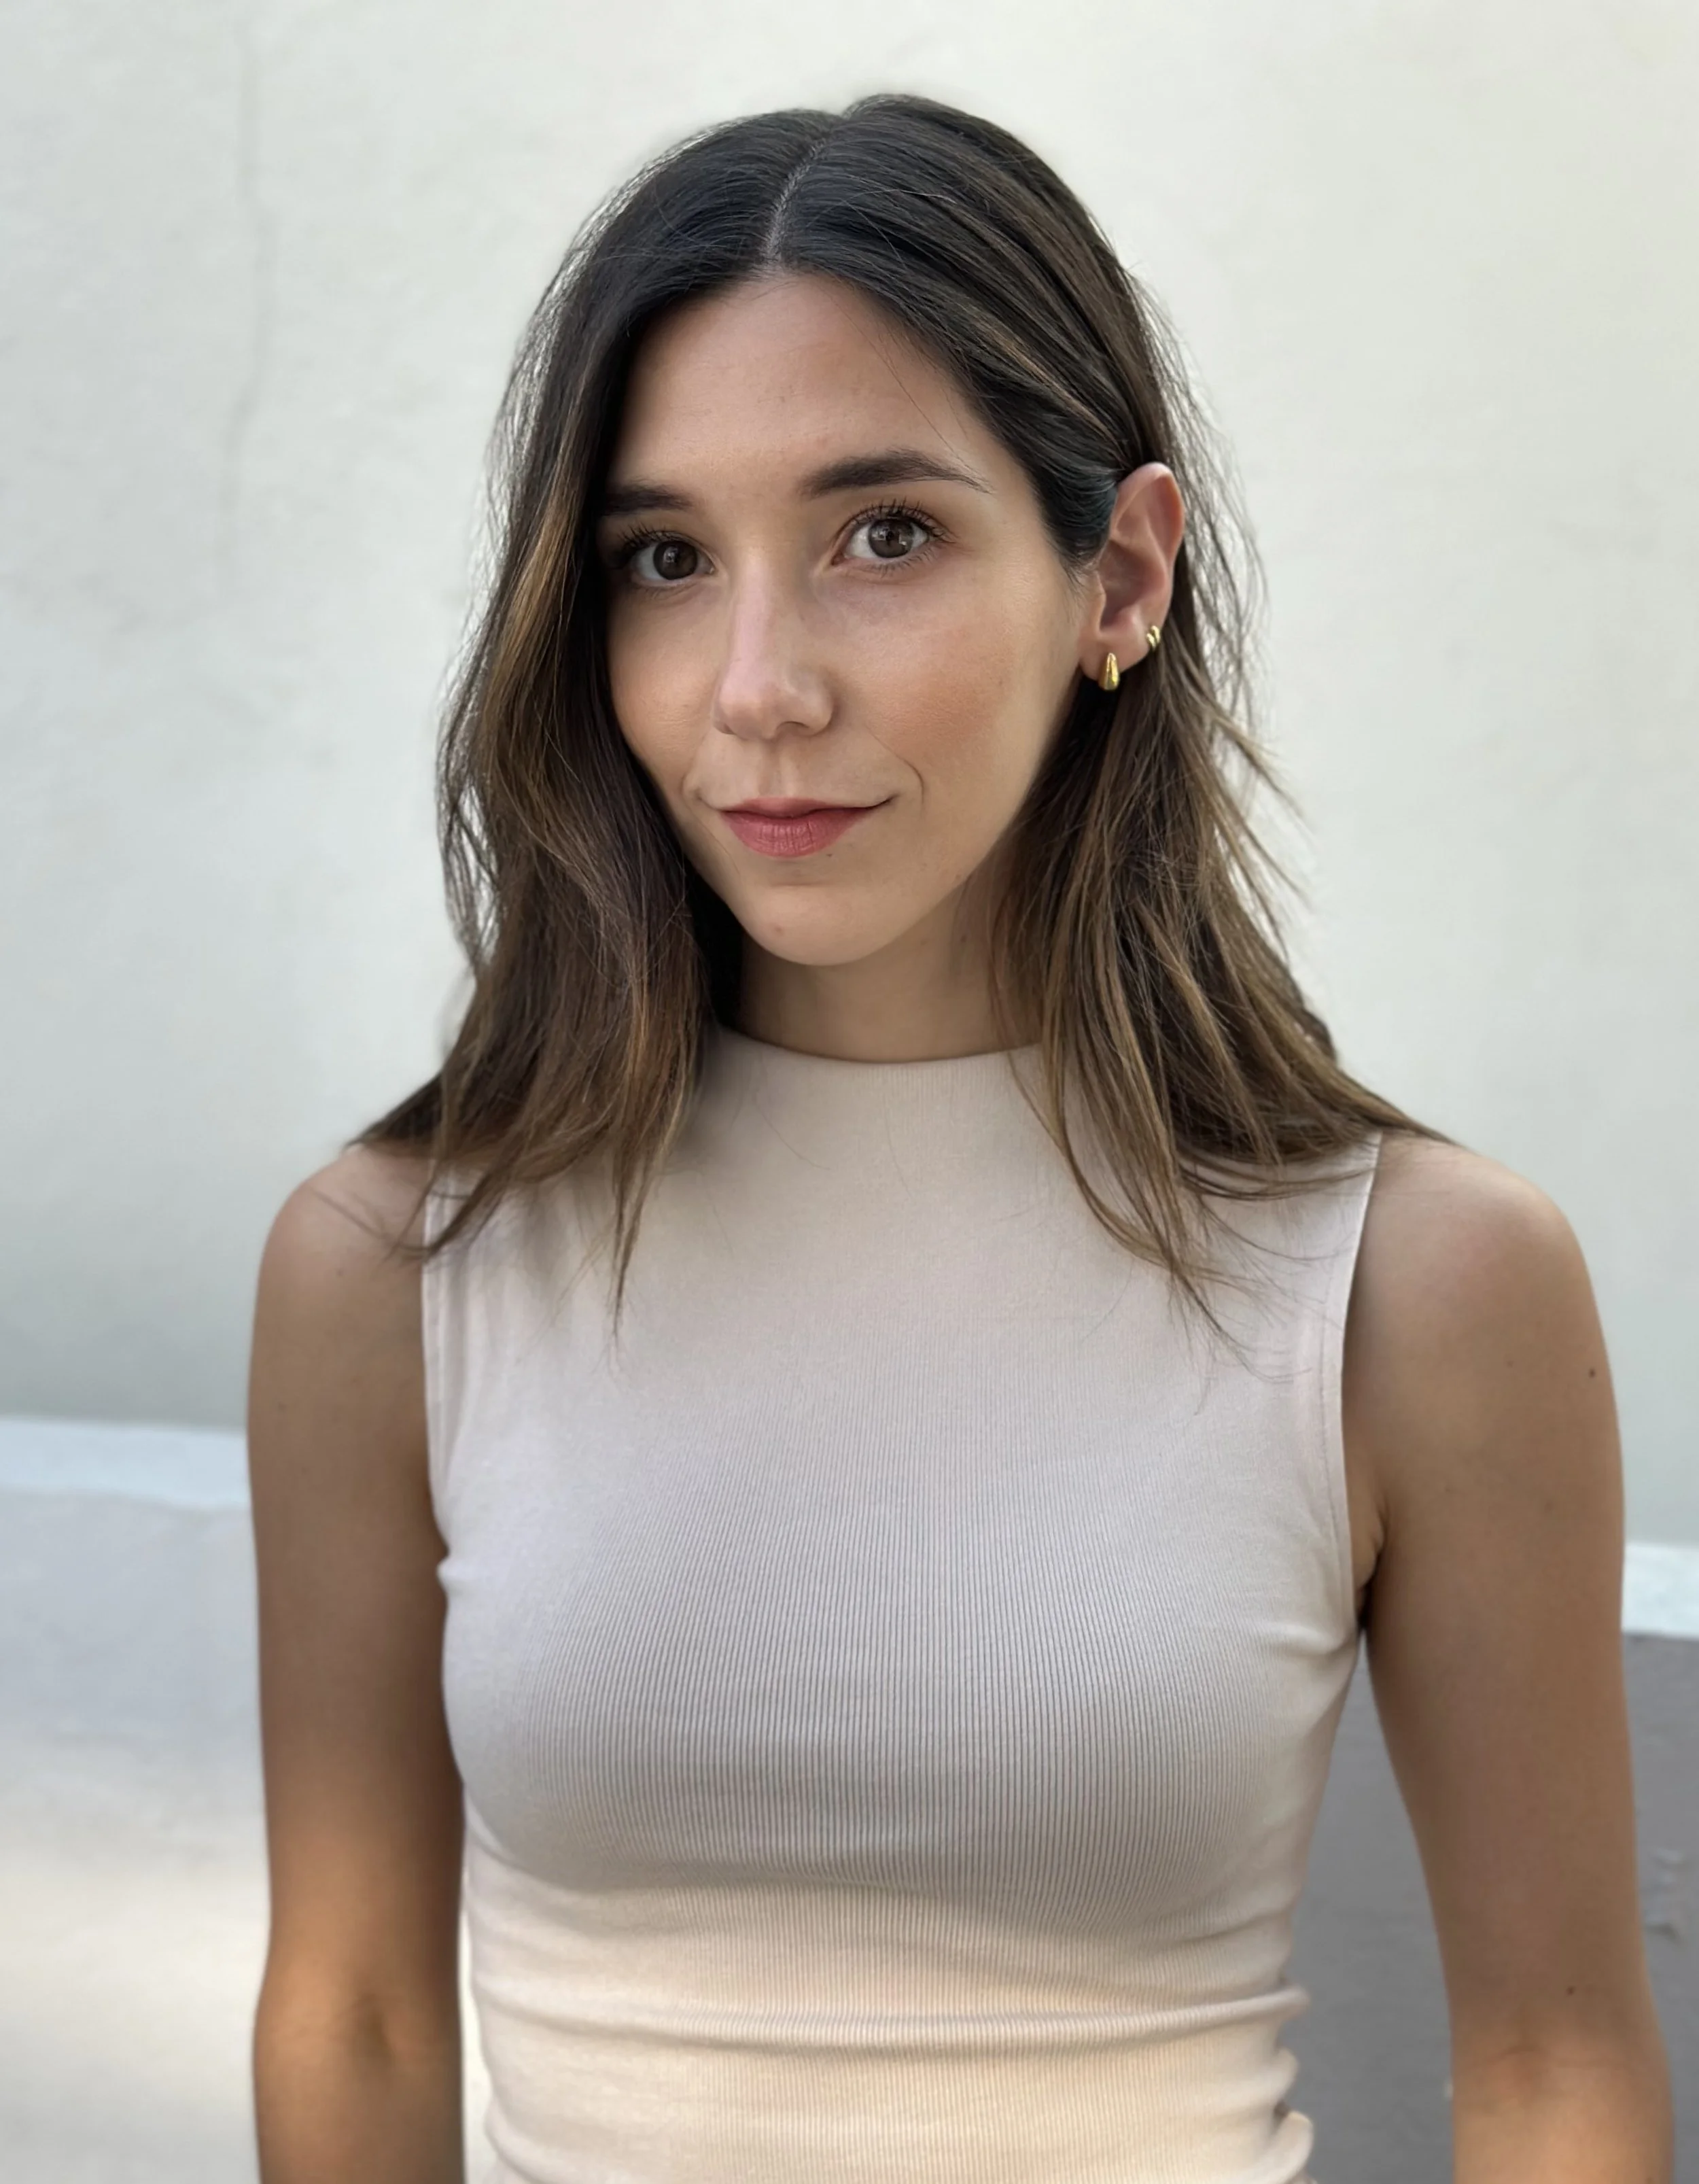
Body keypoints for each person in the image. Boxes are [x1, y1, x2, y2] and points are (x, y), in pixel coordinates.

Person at [244, 92, 1671, 2184]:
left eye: (881, 534)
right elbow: (353, 2010)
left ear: (1120, 573)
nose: (757, 687)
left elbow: (1553, 2060)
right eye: (663, 558)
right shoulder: (396, 1268)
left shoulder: (1415, 1283)